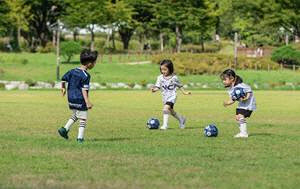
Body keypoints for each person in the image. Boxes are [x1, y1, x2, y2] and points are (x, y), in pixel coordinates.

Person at [58, 49, 98, 143]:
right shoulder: (86, 75)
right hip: (80, 99)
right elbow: (84, 90)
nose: (94, 64)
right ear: (89, 63)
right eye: (94, 62)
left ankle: (64, 129)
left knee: (76, 114)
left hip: (71, 98)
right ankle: (80, 138)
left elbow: (63, 79)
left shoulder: (72, 71)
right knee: (83, 118)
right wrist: (87, 102)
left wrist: (63, 89)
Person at [151, 59, 191, 130]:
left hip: (172, 96)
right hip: (165, 97)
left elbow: (180, 86)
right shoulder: (159, 78)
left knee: (165, 108)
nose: (163, 71)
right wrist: (154, 90)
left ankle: (165, 125)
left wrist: (185, 92)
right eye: (162, 69)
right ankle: (182, 119)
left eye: (165, 69)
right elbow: (157, 87)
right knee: (171, 111)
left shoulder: (174, 78)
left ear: (170, 69)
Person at [220, 69, 256, 138]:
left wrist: (246, 98)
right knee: (237, 117)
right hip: (242, 104)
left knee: (240, 116)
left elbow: (249, 90)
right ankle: (242, 132)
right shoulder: (230, 89)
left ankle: (244, 133)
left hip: (249, 103)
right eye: (223, 80)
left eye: (225, 79)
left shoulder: (240, 85)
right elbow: (233, 99)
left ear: (232, 78)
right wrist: (227, 103)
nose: (223, 81)